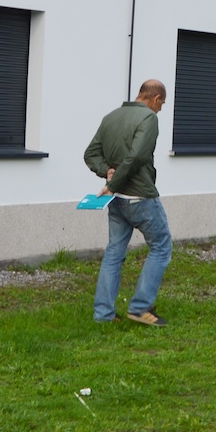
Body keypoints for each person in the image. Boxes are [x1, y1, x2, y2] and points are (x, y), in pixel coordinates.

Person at [84, 79, 172, 326]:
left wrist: (107, 171)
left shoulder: (111, 116)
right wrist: (112, 181)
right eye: (162, 104)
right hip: (140, 197)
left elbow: (90, 154)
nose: (161, 109)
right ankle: (140, 308)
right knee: (162, 247)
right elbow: (137, 156)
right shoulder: (149, 119)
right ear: (154, 99)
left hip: (116, 201)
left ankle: (103, 315)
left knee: (114, 253)